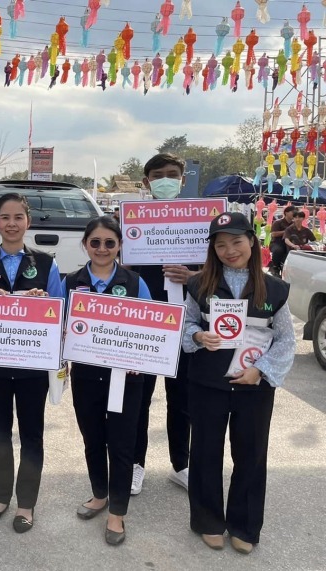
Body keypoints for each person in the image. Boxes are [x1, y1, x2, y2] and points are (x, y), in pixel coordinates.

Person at [182, 212, 295, 553]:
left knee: (251, 454)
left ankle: (244, 526)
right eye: (221, 245)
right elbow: (184, 326)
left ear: (251, 241)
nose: (230, 250)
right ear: (212, 250)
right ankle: (208, 520)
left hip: (253, 386)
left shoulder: (274, 287)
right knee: (205, 452)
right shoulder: (199, 284)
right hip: (207, 383)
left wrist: (259, 371)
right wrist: (199, 335)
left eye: (236, 241)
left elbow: (286, 340)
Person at [0, 193, 64, 533]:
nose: (11, 223)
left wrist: (42, 301)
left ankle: (26, 504)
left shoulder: (46, 264)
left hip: (32, 366)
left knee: (32, 433)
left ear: (28, 222)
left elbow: (59, 311)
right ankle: (0, 497)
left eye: (18, 217)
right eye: (5, 217)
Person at [62, 216, 152, 546]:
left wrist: (139, 358)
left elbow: (150, 327)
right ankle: (99, 495)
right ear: (85, 245)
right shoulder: (70, 281)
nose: (102, 249)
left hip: (125, 378)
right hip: (86, 375)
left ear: (119, 246)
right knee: (92, 438)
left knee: (122, 443)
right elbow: (58, 325)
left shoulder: (135, 282)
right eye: (95, 242)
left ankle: (118, 512)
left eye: (109, 243)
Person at [131, 153, 195, 495]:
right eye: (158, 175)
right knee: (139, 398)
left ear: (183, 180)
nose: (166, 180)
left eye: (173, 174)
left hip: (186, 324)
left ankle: (181, 465)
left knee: (182, 397)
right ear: (146, 182)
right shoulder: (131, 223)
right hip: (145, 324)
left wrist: (194, 276)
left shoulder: (199, 224)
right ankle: (135, 464)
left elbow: (219, 271)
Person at [268, 205, 296, 276]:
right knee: (278, 250)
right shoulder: (278, 222)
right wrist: (286, 231)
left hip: (290, 243)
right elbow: (273, 234)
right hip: (277, 242)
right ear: (286, 212)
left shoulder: (294, 224)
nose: (294, 213)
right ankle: (275, 267)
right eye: (292, 212)